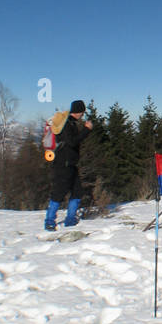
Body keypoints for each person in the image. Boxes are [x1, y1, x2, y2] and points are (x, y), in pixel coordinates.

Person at [42, 99, 96, 231]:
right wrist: (86, 130)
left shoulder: (70, 123)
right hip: (63, 165)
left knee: (77, 192)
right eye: (82, 112)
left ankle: (70, 219)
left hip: (70, 164)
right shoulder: (66, 124)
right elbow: (72, 142)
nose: (83, 115)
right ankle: (49, 221)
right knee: (58, 193)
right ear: (79, 111)